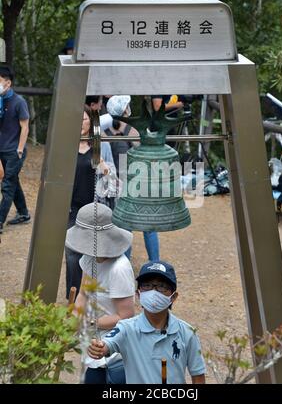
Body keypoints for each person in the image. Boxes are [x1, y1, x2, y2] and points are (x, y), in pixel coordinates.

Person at [87, 260, 206, 384]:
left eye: (161, 286)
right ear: (138, 294)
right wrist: (99, 348)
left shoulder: (187, 333)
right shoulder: (126, 328)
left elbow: (198, 376)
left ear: (173, 297)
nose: (153, 291)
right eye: (147, 286)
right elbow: (107, 343)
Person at [66, 202, 135, 384]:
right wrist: (73, 319)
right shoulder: (89, 257)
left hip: (113, 349)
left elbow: (126, 316)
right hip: (92, 342)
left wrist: (90, 322)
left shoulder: (119, 269)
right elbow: (83, 294)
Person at [64, 104, 116, 300]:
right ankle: (72, 301)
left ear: (92, 122)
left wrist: (103, 166)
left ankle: (92, 302)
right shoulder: (66, 145)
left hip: (94, 207)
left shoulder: (102, 145)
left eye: (85, 119)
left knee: (95, 257)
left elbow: (112, 180)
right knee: (72, 257)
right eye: (77, 119)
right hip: (71, 209)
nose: (81, 123)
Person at [106, 95, 160, 262]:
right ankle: (155, 264)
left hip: (117, 185)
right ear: (125, 111)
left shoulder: (104, 131)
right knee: (149, 228)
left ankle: (124, 267)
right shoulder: (133, 130)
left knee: (126, 228)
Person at [0, 65, 30, 235]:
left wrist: (19, 149)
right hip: (2, 149)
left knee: (7, 185)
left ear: (8, 83)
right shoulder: (0, 100)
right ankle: (24, 213)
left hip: (14, 151)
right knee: (13, 181)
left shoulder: (19, 102)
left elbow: (25, 127)